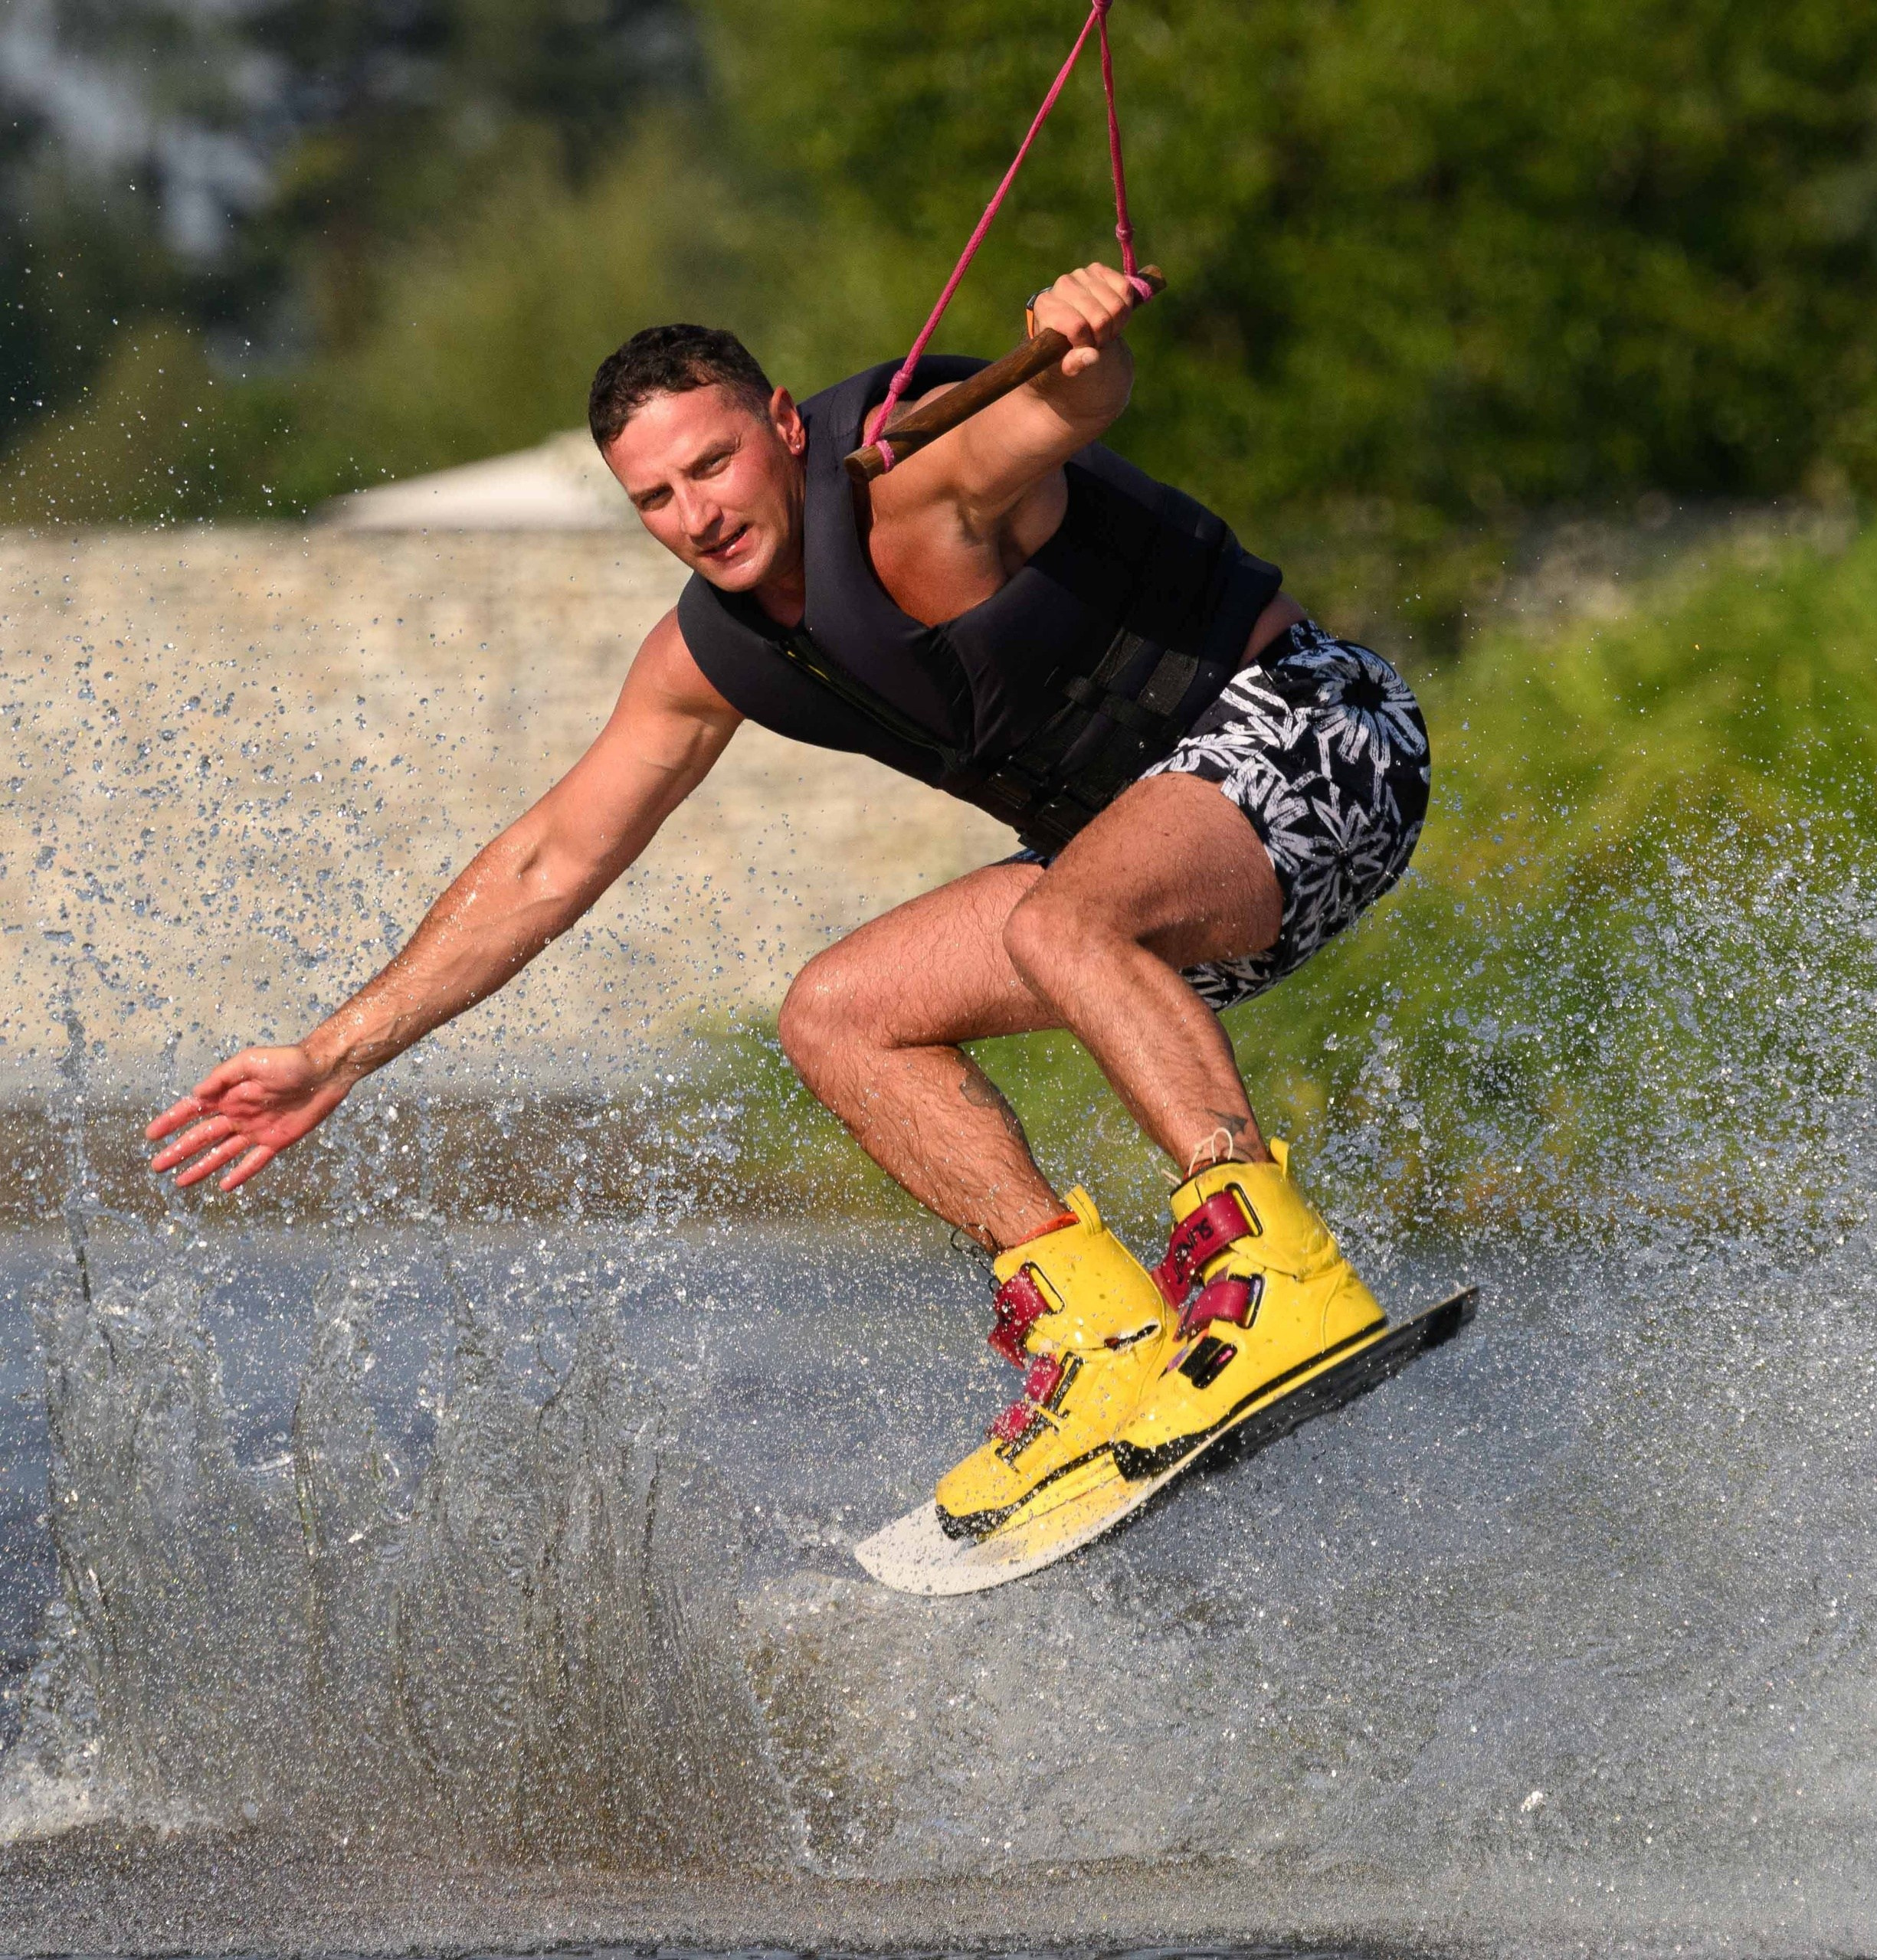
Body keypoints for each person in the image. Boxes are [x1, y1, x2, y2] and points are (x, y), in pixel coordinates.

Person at [147, 264, 1430, 1543]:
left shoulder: (922, 490)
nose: (695, 514)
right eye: (654, 497)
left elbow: (1064, 409)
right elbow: (548, 862)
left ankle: (1280, 1267)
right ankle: (1103, 1335)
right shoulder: (707, 658)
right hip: (1163, 875)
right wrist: (333, 1054)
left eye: (711, 465)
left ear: (785, 427)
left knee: (1059, 921)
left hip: (1323, 745)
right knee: (835, 1016)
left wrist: (1073, 342)